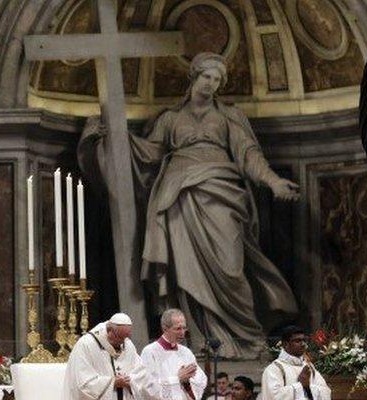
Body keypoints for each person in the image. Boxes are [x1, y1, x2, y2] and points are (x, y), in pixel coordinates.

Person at [79, 52, 299, 360]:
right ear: (193, 77)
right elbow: (148, 154)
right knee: (186, 272)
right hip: (178, 197)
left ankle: (246, 337)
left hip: (221, 193)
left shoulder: (228, 117)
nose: (212, 84)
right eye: (207, 76)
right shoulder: (170, 118)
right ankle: (198, 340)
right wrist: (115, 136)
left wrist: (273, 181)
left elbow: (249, 155)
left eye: (218, 79)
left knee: (230, 268)